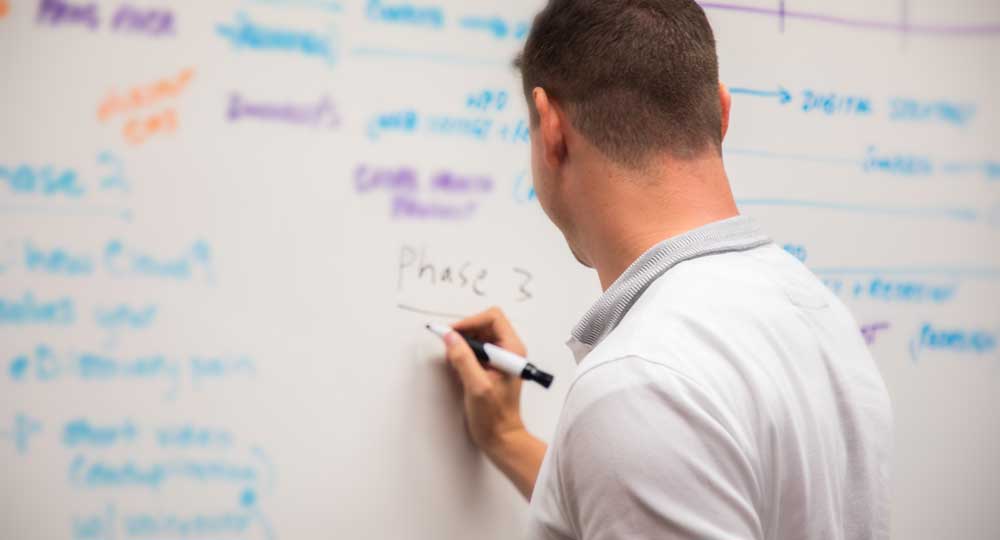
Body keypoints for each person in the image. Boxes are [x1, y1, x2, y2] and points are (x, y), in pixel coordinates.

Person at [435, 1, 893, 538]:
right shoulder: (815, 311)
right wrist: (510, 436)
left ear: (552, 126)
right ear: (722, 116)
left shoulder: (641, 382)